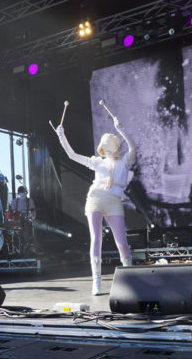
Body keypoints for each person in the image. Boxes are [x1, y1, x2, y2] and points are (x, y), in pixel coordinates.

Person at [51, 115, 135, 296]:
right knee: (96, 238)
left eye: (106, 146)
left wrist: (121, 131)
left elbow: (132, 148)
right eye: (103, 146)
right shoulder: (97, 161)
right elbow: (72, 155)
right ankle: (96, 280)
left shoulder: (124, 162)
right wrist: (61, 137)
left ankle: (129, 276)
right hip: (95, 198)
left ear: (113, 147)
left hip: (114, 201)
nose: (103, 149)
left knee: (121, 242)